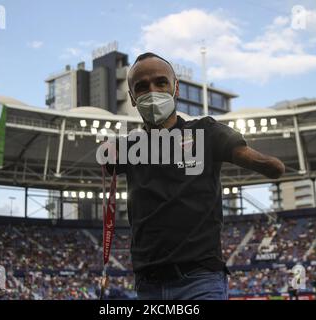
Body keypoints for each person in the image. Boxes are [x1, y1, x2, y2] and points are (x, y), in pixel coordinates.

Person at [104, 52, 285, 300]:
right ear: (133, 99)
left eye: (161, 82)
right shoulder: (129, 147)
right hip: (148, 284)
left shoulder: (206, 132)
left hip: (199, 280)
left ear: (175, 88)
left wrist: (267, 164)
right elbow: (106, 162)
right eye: (142, 87)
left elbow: (262, 161)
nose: (153, 91)